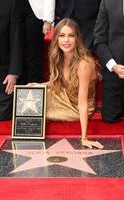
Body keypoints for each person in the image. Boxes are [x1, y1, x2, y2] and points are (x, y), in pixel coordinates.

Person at [28, 18, 103, 149]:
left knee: (36, 104)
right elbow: (58, 82)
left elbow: (83, 102)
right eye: (62, 35)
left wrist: (84, 138)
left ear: (77, 39)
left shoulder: (83, 64)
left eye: (71, 36)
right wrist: (40, 85)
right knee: (31, 95)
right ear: (56, 38)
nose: (66, 40)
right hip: (64, 94)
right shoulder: (58, 56)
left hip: (76, 106)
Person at [94, 0, 124, 122]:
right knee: (110, 117)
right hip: (114, 71)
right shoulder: (107, 2)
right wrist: (114, 67)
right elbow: (99, 40)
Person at [0, 0, 21, 120]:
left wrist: (13, 73)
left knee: (1, 114)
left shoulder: (11, 3)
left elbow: (16, 38)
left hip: (1, 73)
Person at [20, 0, 55, 83]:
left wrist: (48, 19)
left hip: (35, 12)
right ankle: (17, 90)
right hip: (13, 9)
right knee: (16, 51)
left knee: (34, 54)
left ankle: (34, 89)